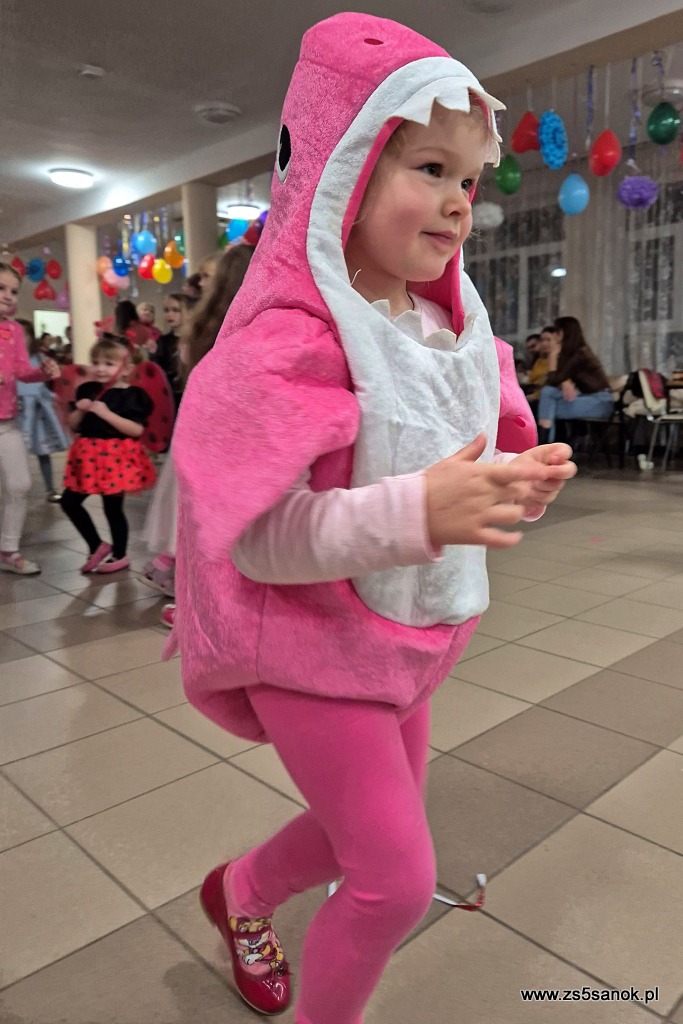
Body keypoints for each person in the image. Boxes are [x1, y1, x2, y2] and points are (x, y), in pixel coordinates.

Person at [170, 14, 576, 1024]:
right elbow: (253, 535)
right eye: (429, 168)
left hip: (404, 639)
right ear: (341, 169)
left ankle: (240, 891)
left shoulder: (445, 329)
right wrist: (418, 511)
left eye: (469, 178)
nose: (458, 200)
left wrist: (507, 480)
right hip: (305, 644)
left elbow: (442, 457)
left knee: (358, 831)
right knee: (393, 879)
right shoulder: (288, 344)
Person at [143, 244, 255, 625]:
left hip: (205, 434)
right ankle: (202, 604)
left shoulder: (205, 328)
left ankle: (200, 604)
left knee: (203, 525)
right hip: (225, 436)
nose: (199, 283)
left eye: (208, 276)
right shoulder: (237, 326)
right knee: (219, 528)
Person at [60, 336, 156, 573]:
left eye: (109, 363)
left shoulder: (133, 395)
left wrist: (105, 413)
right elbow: (73, 425)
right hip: (88, 456)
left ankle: (120, 556)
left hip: (116, 457)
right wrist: (80, 411)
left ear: (126, 369)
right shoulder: (87, 390)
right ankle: (97, 545)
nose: (100, 368)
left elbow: (136, 430)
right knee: (69, 502)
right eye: (96, 362)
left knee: (112, 508)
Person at [0, 263, 60, 574]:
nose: (8, 296)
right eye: (1, 288)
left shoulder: (13, 330)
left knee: (20, 484)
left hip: (7, 422)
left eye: (13, 291)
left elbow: (22, 371)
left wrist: (42, 372)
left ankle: (8, 550)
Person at [15, 318, 69, 502]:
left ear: (31, 337)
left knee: (43, 451)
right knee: (14, 453)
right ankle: (14, 489)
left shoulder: (39, 358)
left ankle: (50, 489)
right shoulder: (7, 358)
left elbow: (50, 379)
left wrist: (52, 395)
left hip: (38, 411)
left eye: (24, 335)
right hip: (17, 410)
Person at [538, 315, 613, 442]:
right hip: (588, 398)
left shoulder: (580, 354)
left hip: (600, 402)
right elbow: (555, 381)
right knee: (547, 393)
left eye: (556, 332)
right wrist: (565, 381)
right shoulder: (574, 353)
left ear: (562, 333)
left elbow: (553, 380)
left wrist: (553, 355)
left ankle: (545, 444)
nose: (554, 336)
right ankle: (547, 445)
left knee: (546, 407)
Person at [151, 293, 196, 406]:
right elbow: (158, 372)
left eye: (176, 310)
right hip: (170, 398)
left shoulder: (197, 341)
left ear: (189, 313)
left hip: (193, 395)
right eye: (166, 310)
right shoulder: (162, 342)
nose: (169, 314)